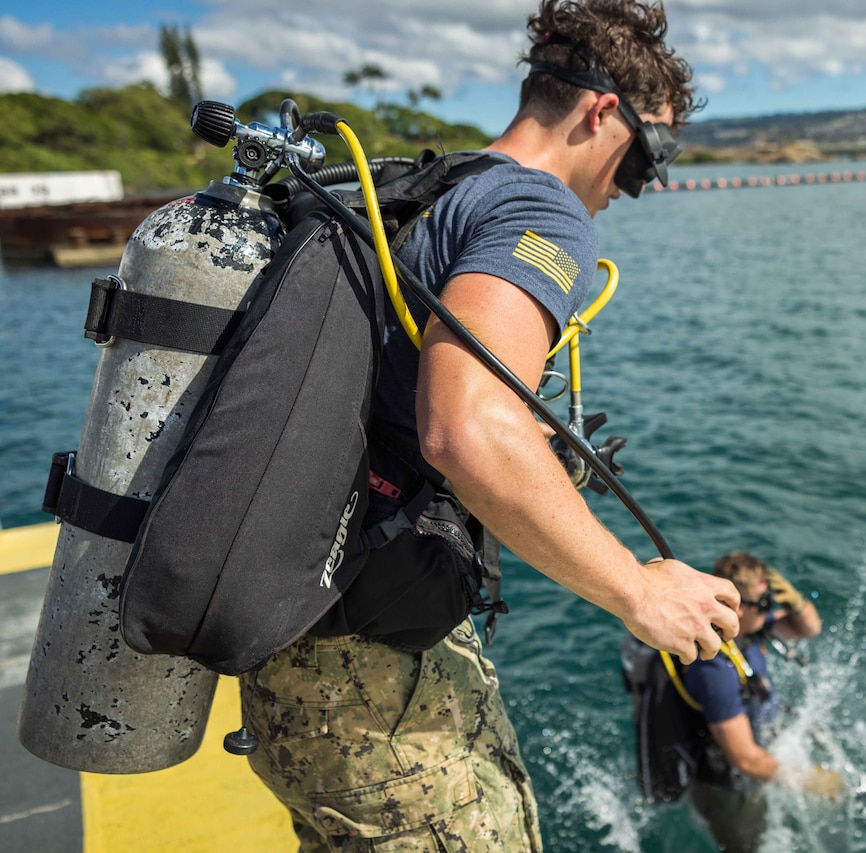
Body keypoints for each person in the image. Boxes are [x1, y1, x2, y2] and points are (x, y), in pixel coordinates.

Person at [238, 3, 740, 851]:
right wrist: (639, 590)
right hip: (376, 692)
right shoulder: (541, 210)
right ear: (601, 112)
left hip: (291, 651)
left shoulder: (432, 189)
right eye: (648, 156)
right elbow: (465, 430)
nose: (636, 186)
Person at [681, 551, 837, 853]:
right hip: (731, 790)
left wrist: (796, 602)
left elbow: (810, 629)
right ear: (737, 609)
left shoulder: (750, 630)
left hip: (759, 761)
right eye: (764, 603)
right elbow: (745, 760)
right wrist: (811, 782)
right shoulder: (714, 669)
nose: (771, 609)